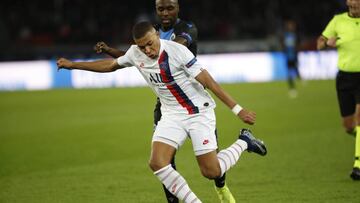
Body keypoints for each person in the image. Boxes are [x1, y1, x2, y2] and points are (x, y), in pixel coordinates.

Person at [57, 21, 267, 202]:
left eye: (150, 43)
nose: (147, 50)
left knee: (211, 171)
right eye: (142, 47)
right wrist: (73, 65)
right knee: (157, 162)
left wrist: (238, 110)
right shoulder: (134, 53)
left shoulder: (177, 51)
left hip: (198, 112)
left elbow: (208, 81)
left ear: (157, 35)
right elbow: (111, 64)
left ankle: (244, 142)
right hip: (172, 115)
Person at [93, 0, 235, 202]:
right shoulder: (151, 33)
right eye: (161, 9)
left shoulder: (186, 29)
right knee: (163, 160)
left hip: (193, 100)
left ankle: (221, 187)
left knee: (212, 161)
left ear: (178, 8)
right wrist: (110, 50)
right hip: (166, 103)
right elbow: (135, 56)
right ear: (156, 11)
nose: (165, 12)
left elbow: (173, 50)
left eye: (170, 8)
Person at [317, 0, 360, 180]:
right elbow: (319, 43)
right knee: (349, 126)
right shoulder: (338, 21)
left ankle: (357, 165)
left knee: (359, 119)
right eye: (353, 3)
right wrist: (328, 44)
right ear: (348, 3)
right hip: (344, 78)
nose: (356, 6)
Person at [281, 19, 301, 98]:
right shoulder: (285, 35)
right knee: (290, 72)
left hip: (294, 56)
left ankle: (299, 79)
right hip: (288, 56)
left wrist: (297, 52)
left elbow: (297, 45)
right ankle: (292, 87)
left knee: (295, 69)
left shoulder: (294, 35)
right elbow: (283, 45)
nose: (291, 27)